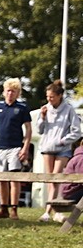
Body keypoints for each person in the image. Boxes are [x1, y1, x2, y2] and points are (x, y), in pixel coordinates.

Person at [36, 79, 82, 221]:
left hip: (62, 148)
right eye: (48, 96)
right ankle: (53, 212)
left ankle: (50, 211)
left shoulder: (69, 110)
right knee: (50, 180)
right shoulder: (45, 108)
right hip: (47, 147)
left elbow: (77, 132)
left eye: (52, 97)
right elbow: (40, 130)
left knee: (57, 177)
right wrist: (42, 118)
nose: (49, 99)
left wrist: (63, 140)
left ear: (59, 96)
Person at [0, 78, 33, 219]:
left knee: (14, 178)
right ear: (4, 92)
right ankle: (3, 208)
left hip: (15, 147)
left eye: (13, 91)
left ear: (18, 93)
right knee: (1, 179)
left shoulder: (22, 108)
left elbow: (28, 129)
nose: (10, 94)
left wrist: (25, 148)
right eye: (8, 91)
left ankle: (14, 208)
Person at [60, 140, 83, 204]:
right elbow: (81, 178)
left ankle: (75, 214)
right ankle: (75, 213)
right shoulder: (81, 158)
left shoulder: (78, 156)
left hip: (70, 191)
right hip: (71, 192)